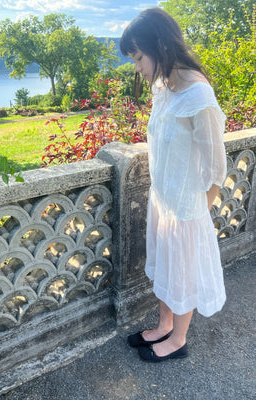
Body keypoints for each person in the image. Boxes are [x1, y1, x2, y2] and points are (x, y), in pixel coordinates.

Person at [120, 7, 227, 363]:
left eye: (138, 56)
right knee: (166, 270)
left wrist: (195, 215)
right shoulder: (165, 86)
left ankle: (178, 339)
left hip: (185, 208)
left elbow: (216, 168)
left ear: (160, 45)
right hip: (162, 200)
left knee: (181, 275)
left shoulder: (198, 96)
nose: (138, 67)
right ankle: (164, 323)